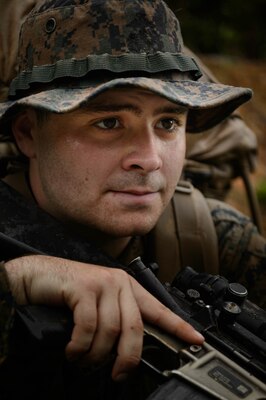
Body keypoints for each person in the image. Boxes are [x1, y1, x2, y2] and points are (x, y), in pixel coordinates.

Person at [0, 0, 265, 399]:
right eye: (108, 123)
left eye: (168, 123)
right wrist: (15, 282)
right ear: (28, 133)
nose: (150, 158)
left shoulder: (215, 238)